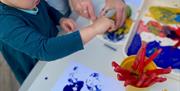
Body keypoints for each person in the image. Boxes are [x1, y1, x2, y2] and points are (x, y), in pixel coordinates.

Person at [0, 0, 115, 84]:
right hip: (34, 66)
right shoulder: (4, 22)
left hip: (53, 47)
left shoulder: (30, 1)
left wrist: (60, 18)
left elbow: (45, 7)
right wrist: (93, 29)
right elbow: (44, 49)